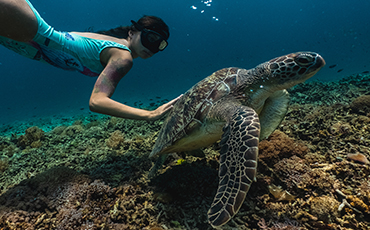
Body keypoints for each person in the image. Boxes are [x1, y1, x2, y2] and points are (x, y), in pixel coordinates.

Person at [0, 0, 181, 121]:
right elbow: (97, 101)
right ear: (132, 32)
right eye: (151, 39)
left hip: (22, 39)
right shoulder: (123, 58)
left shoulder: (109, 41)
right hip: (31, 30)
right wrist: (149, 114)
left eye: (160, 45)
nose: (152, 48)